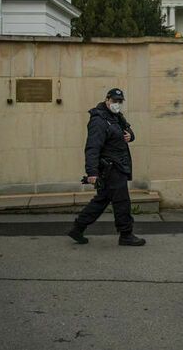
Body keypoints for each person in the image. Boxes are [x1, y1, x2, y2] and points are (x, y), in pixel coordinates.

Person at [68, 88, 145, 246]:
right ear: (107, 99)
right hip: (111, 167)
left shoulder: (116, 116)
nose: (117, 104)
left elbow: (127, 129)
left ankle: (78, 228)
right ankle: (126, 234)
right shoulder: (99, 120)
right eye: (115, 101)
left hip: (118, 165)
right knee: (122, 201)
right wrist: (92, 172)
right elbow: (92, 147)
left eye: (120, 101)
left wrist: (130, 136)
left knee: (102, 199)